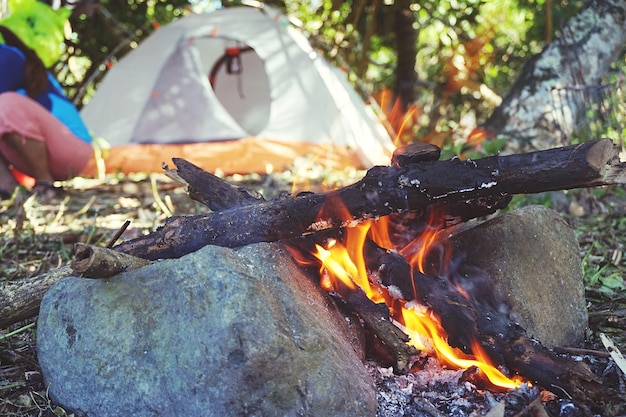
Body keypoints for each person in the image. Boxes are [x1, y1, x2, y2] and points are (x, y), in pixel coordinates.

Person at [0, 25, 93, 199]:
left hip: (72, 151)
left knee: (6, 103)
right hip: (32, 153)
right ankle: (8, 189)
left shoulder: (7, 58)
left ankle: (45, 184)